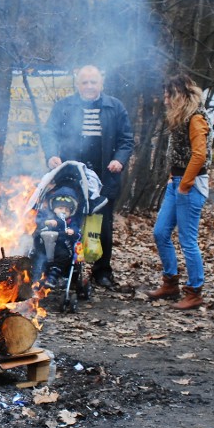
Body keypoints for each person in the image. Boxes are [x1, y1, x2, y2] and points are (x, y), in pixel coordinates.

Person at [43, 65, 134, 288]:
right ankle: (65, 270)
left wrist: (119, 160)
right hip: (70, 178)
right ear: (77, 84)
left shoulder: (115, 107)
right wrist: (52, 155)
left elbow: (126, 139)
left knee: (102, 225)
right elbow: (49, 133)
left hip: (104, 177)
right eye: (85, 82)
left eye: (93, 82)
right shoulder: (64, 107)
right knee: (68, 222)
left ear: (101, 83)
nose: (89, 86)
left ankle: (102, 271)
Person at [145, 74, 211, 310]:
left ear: (180, 96)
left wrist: (184, 184)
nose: (165, 100)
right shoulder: (180, 117)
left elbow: (200, 155)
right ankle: (170, 282)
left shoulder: (196, 118)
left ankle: (194, 291)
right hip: (177, 183)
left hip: (189, 186)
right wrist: (174, 180)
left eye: (168, 96)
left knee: (187, 240)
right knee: (160, 232)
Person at [33, 186, 83, 288]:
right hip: (44, 245)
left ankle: (53, 277)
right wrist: (47, 222)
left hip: (61, 246)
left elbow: (77, 232)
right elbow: (38, 222)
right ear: (54, 208)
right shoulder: (48, 216)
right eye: (60, 208)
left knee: (63, 256)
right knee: (37, 255)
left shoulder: (70, 221)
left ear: (71, 211)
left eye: (66, 210)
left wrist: (72, 231)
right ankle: (36, 278)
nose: (63, 211)